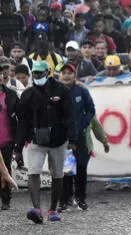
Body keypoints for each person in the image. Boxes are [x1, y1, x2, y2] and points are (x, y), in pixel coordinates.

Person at [14, 60, 75, 224]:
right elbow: (22, 121)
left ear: (48, 73)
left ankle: (53, 209)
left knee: (57, 174)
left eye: (40, 73)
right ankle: (37, 209)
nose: (36, 76)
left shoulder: (62, 90)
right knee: (33, 172)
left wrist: (72, 140)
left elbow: (69, 117)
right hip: (36, 141)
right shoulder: (28, 94)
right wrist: (18, 148)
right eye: (34, 73)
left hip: (58, 141)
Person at [57, 64, 95, 211]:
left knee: (81, 167)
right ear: (59, 75)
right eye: (63, 73)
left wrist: (83, 125)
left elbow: (91, 110)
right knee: (65, 170)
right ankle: (64, 200)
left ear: (75, 75)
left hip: (79, 136)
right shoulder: (55, 91)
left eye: (70, 73)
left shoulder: (82, 91)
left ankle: (80, 198)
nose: (66, 75)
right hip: (62, 138)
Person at [0, 77, 19, 210]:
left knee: (5, 168)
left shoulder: (11, 94)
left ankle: (6, 199)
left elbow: (20, 115)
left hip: (6, 138)